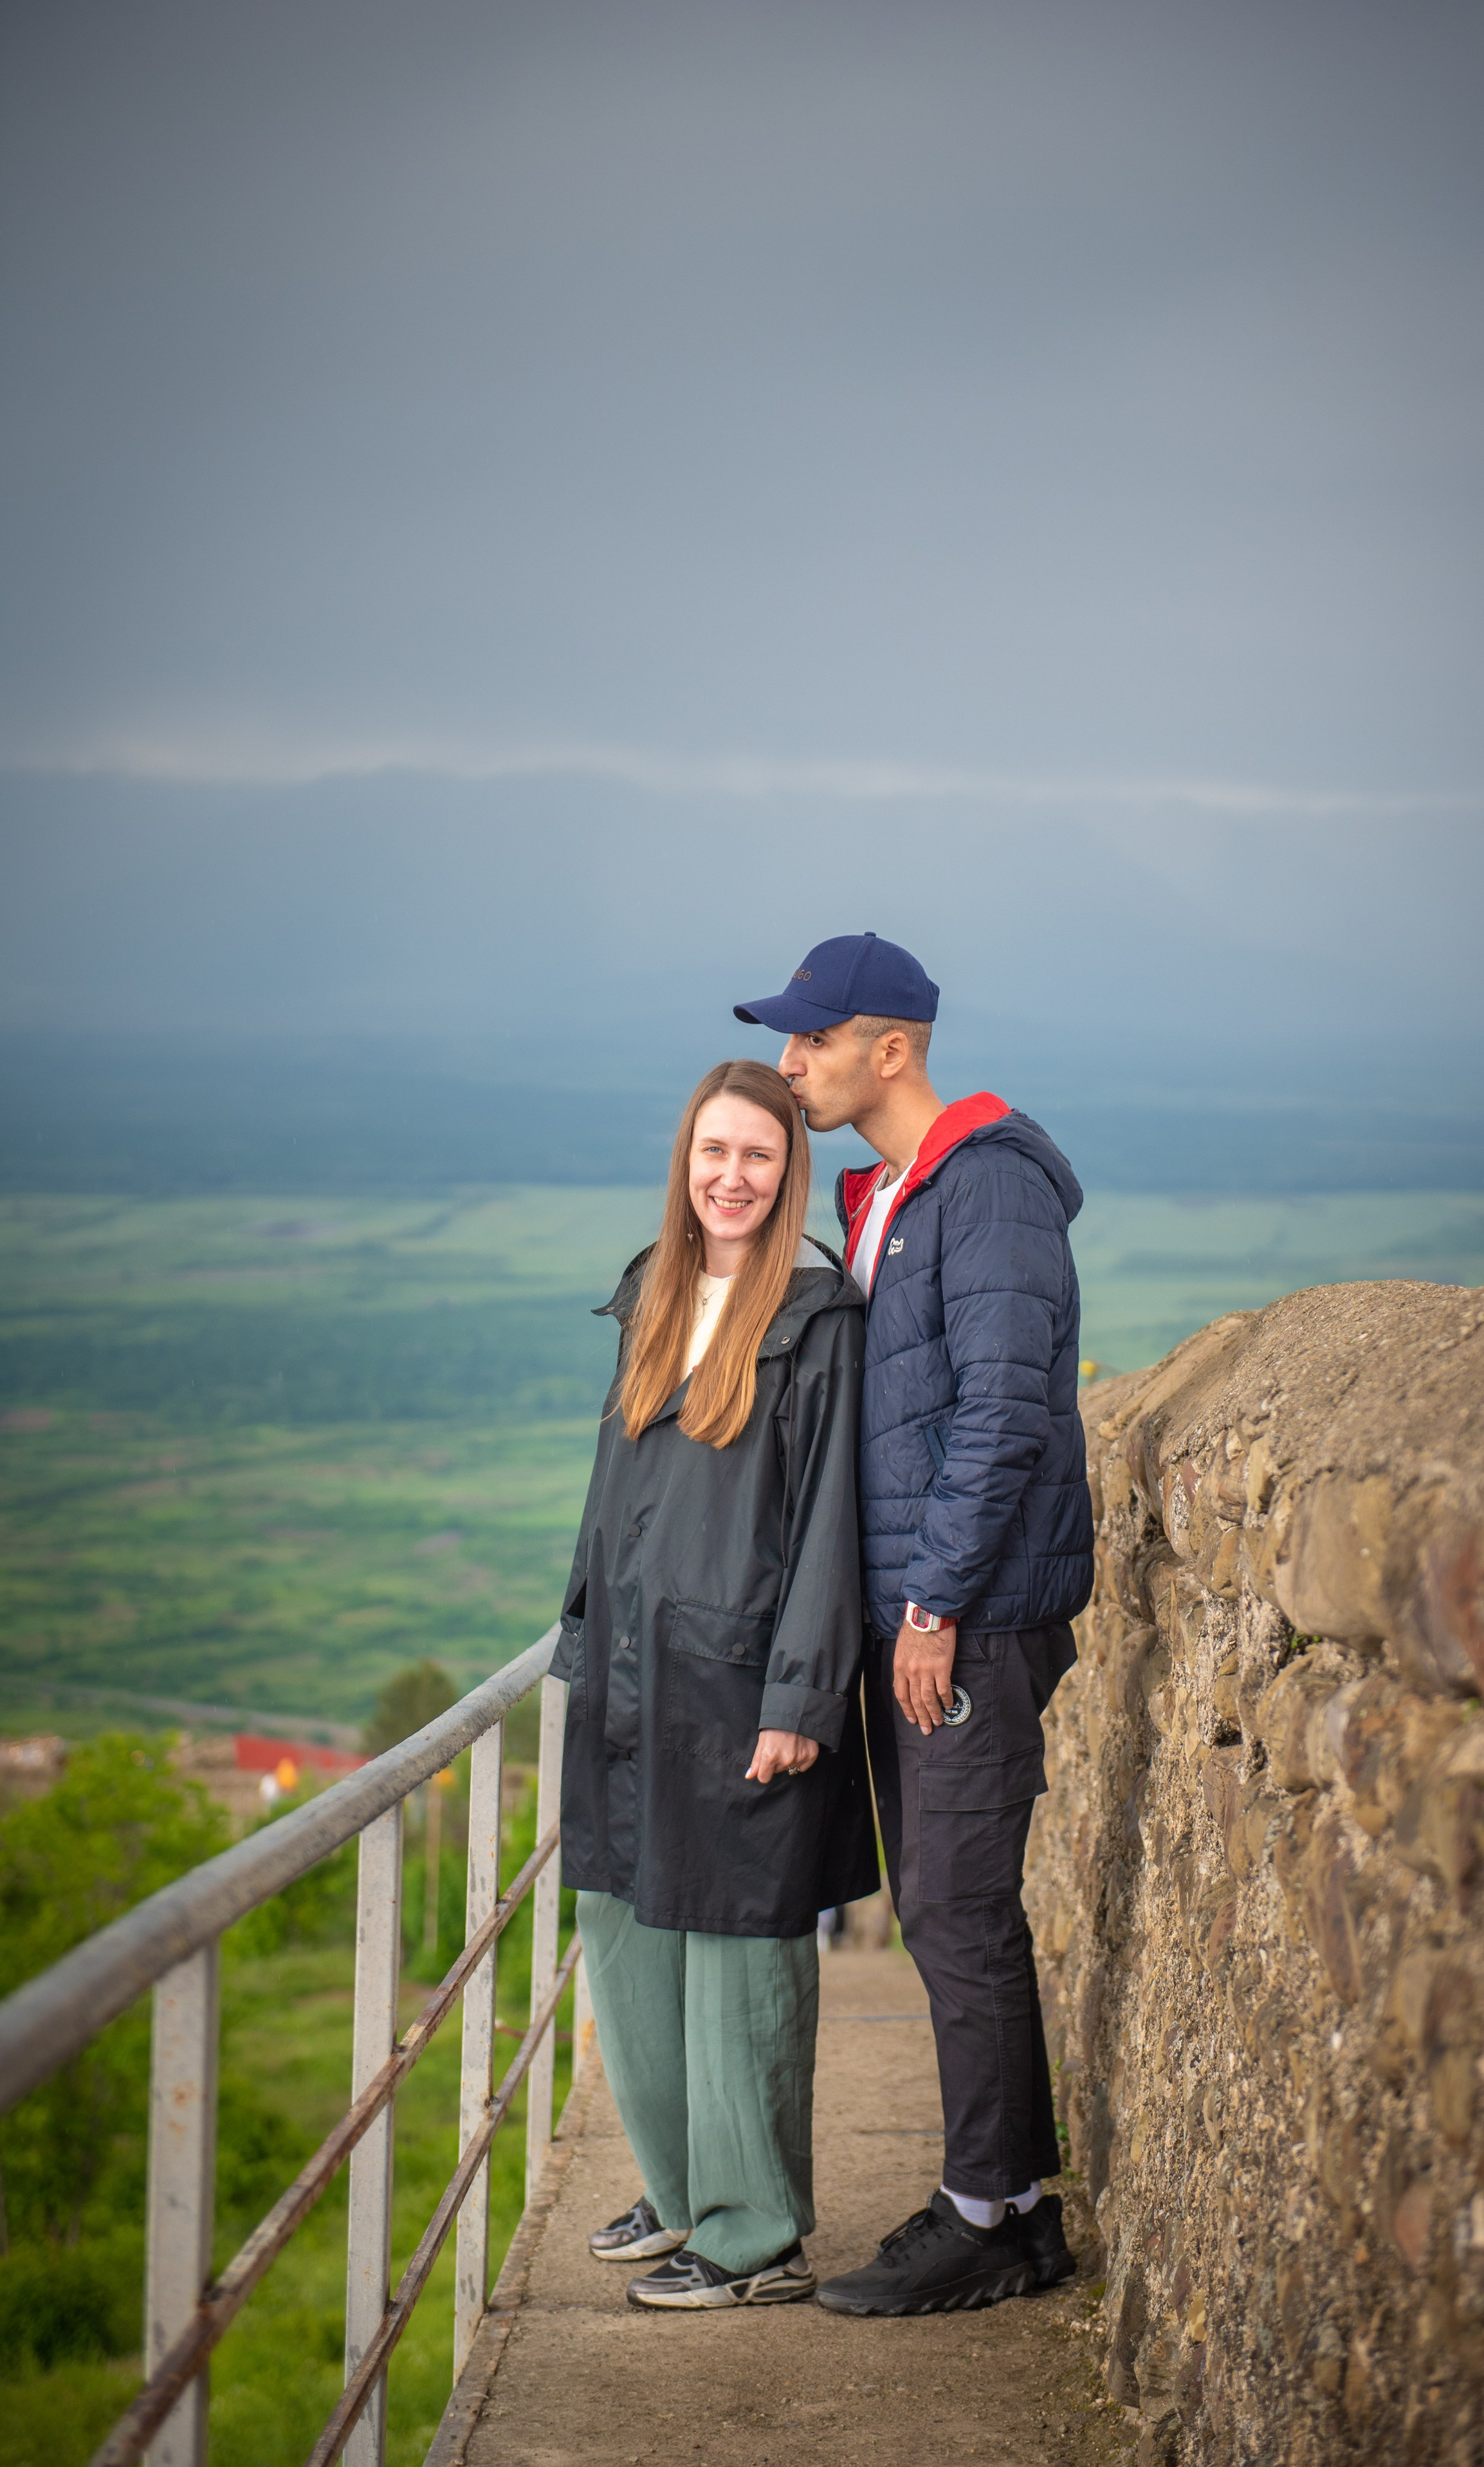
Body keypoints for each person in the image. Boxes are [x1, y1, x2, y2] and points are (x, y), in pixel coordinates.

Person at [735, 933, 1095, 2316]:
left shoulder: (986, 1189)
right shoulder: (894, 1191)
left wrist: (933, 1603)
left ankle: (997, 2219)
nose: (789, 1065)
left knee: (956, 1910)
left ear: (889, 1049)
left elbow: (1006, 1410)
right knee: (942, 1910)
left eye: (811, 1041)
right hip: (926, 1615)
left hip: (974, 1621)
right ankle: (987, 2190)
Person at [549, 1058, 879, 2311]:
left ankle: (752, 2240)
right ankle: (682, 2188)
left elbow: (829, 1526)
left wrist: (800, 1699)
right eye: (712, 1153)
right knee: (627, 1935)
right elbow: (609, 1500)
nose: (730, 1176)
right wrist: (581, 1638)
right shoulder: (654, 1289)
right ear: (683, 1163)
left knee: (736, 1954)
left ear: (788, 1172)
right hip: (631, 1678)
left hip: (742, 1684)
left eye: (757, 1156)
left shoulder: (813, 1318)